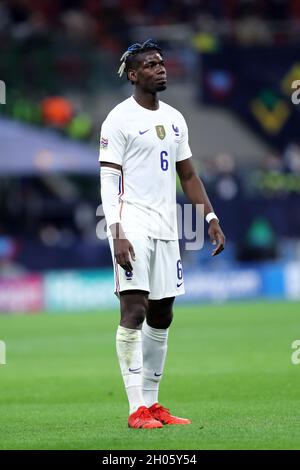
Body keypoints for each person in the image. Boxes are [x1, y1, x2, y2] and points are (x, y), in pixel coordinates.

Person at [99, 39, 225, 429]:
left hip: (167, 227)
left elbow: (187, 175)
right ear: (133, 75)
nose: (160, 68)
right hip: (131, 223)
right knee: (134, 309)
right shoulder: (118, 119)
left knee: (162, 313)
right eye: (151, 65)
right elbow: (109, 179)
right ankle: (135, 408)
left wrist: (210, 218)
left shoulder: (174, 118)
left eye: (161, 63)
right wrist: (116, 231)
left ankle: (153, 405)